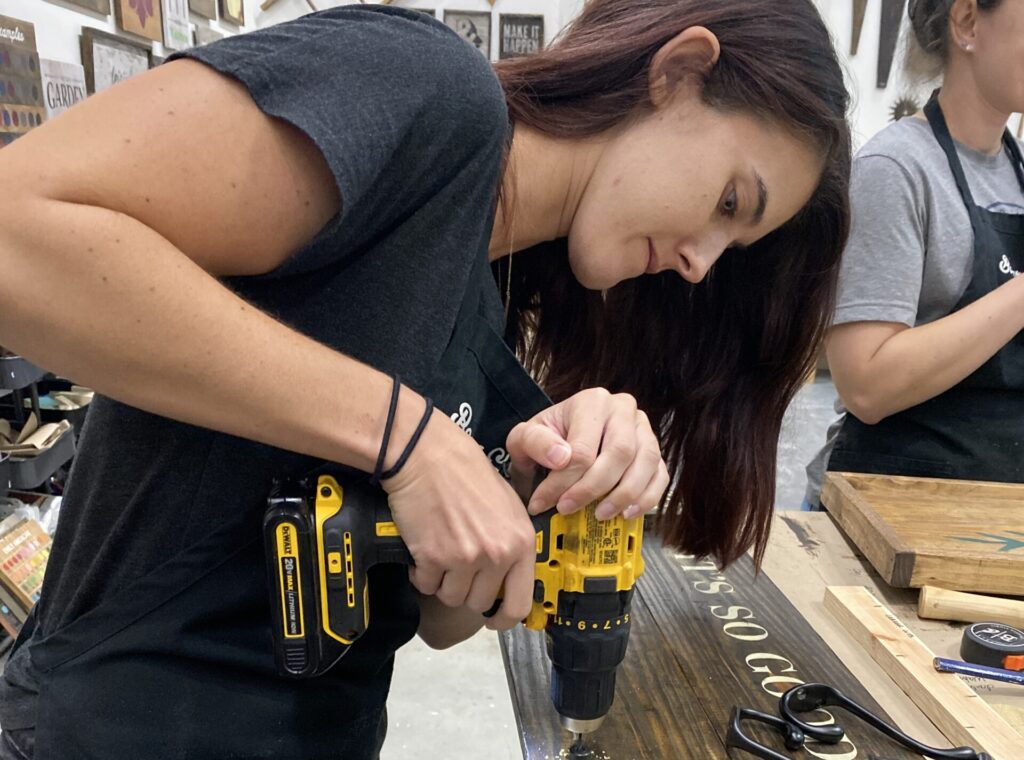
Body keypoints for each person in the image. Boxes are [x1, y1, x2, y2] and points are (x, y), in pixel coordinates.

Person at [0, 0, 850, 757]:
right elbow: (16, 233)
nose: (702, 262)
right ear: (678, 72)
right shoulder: (431, 96)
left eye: (732, 248)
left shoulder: (496, 304)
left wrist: (524, 493)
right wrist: (408, 439)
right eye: (730, 203)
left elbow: (442, 623)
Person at [804, 0, 1024, 510]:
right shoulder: (897, 170)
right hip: (884, 512)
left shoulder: (1016, 176)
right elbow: (866, 384)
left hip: (992, 518)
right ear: (967, 21)